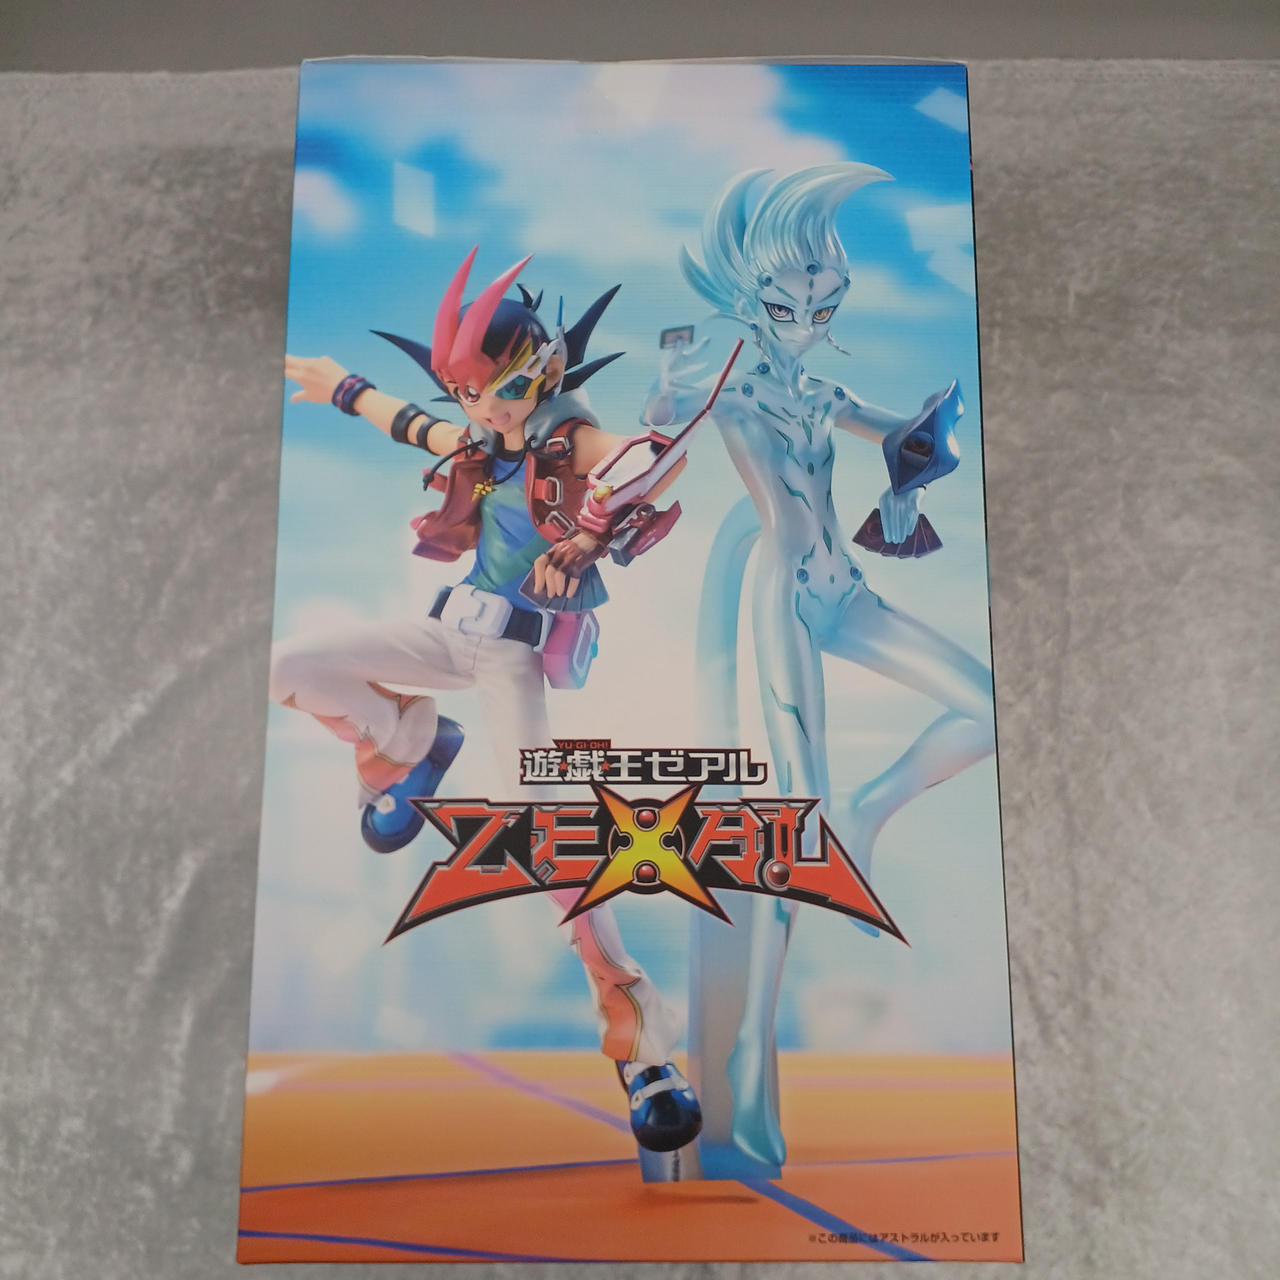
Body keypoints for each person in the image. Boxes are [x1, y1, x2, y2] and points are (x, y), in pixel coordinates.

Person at [274, 247, 700, 1153]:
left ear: (540, 370)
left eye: (497, 390)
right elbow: (411, 426)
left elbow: (648, 463)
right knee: (287, 665)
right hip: (447, 630)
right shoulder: (482, 442)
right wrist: (341, 387)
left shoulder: (568, 441)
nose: (482, 409)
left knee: (547, 838)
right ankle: (406, 742)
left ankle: (643, 1049)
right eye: (466, 392)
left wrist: (604, 512)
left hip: (513, 657)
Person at [646, 165, 996, 1171]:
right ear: (746, 298)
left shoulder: (824, 390)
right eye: (784, 307)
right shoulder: (730, 386)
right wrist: (670, 379)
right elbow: (659, 440)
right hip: (784, 596)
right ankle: (751, 1057)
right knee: (795, 819)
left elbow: (910, 434)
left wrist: (917, 459)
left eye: (824, 307)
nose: (805, 324)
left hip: (847, 588)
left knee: (987, 710)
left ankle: (869, 809)